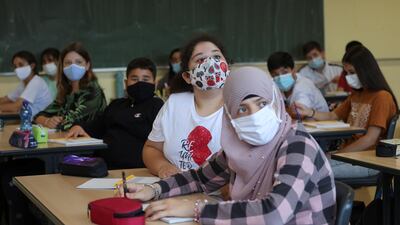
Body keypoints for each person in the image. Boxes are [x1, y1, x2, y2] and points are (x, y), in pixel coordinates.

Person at [119, 67, 336, 225]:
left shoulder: (298, 144)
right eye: (242, 109)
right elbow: (200, 178)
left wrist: (196, 209)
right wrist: (153, 190)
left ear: (276, 103)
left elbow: (274, 214)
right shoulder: (241, 144)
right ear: (230, 117)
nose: (255, 115)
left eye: (262, 104)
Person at [296, 45, 398, 178]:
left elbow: (370, 139)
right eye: (346, 73)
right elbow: (333, 115)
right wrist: (310, 112)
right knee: (306, 165)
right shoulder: (357, 94)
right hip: (350, 154)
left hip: (369, 159)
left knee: (313, 173)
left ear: (365, 71)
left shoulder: (382, 97)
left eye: (352, 72)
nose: (348, 77)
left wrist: (336, 154)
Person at [143, 35, 230, 178]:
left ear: (227, 67)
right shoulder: (175, 103)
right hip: (176, 192)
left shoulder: (240, 107)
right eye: (200, 59)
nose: (210, 63)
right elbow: (151, 148)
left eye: (216, 56)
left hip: (220, 196)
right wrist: (163, 167)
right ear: (188, 77)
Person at [65, 58, 164, 169]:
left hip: (139, 170)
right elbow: (97, 126)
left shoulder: (158, 106)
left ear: (154, 84)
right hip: (104, 168)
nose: (140, 83)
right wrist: (79, 127)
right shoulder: (116, 105)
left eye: (145, 79)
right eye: (134, 79)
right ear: (126, 83)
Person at [34, 42, 107, 131]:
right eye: (68, 63)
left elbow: (69, 123)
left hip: (89, 142)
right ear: (62, 66)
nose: (73, 66)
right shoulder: (66, 91)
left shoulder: (93, 91)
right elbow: (38, 116)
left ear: (87, 65)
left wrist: (54, 122)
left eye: (78, 62)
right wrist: (47, 121)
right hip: (66, 140)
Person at [268, 51, 329, 118]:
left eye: (284, 72)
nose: (280, 77)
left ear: (294, 70)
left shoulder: (303, 85)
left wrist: (278, 110)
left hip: (322, 124)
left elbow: (299, 114)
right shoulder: (274, 85)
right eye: (275, 75)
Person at [0, 51, 52, 117]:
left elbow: (16, 106)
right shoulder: (23, 82)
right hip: (29, 119)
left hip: (41, 121)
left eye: (21, 65)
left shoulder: (36, 82)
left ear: (32, 66)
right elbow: (6, 99)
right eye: (15, 66)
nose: (17, 69)